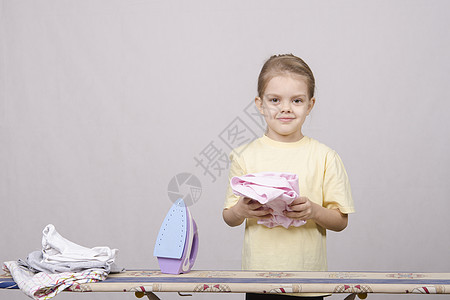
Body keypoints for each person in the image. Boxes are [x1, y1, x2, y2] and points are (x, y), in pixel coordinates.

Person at [223, 54, 355, 300]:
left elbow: (341, 221)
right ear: (260, 104)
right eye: (275, 100)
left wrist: (314, 211)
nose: (285, 108)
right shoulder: (244, 156)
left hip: (310, 281)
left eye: (296, 100)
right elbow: (229, 217)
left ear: (310, 105)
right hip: (258, 280)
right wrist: (242, 210)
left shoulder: (325, 157)